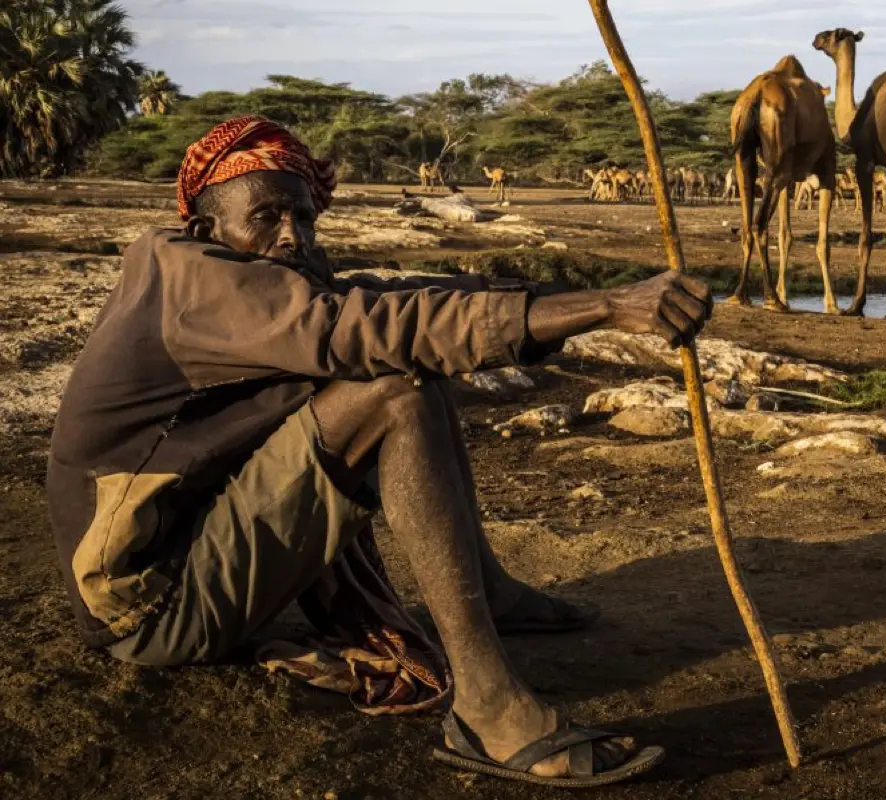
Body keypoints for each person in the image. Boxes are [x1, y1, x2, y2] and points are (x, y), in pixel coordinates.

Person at [46, 116, 711, 788]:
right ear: (208, 230)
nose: (293, 236)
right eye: (268, 216)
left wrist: (586, 301)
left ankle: (495, 593)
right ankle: (485, 710)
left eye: (303, 217)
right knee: (396, 392)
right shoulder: (199, 286)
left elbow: (406, 307)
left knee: (413, 355)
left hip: (193, 546)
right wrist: (606, 307)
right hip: (151, 606)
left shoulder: (243, 270)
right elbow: (353, 328)